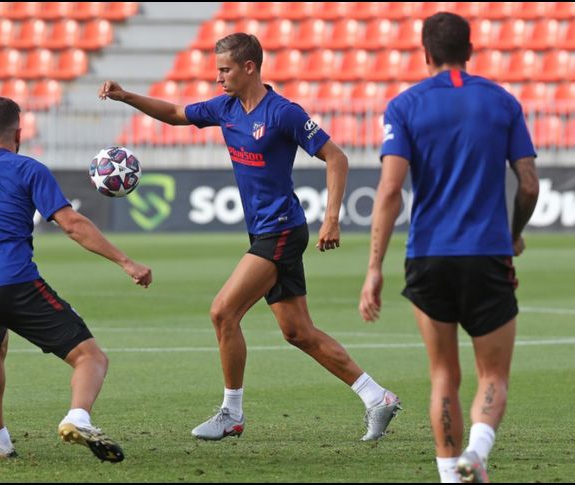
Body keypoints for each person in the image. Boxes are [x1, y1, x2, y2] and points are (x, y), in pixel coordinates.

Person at [100, 33, 401, 442]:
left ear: (249, 68)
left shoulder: (284, 114)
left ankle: (231, 413)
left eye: (224, 69)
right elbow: (174, 112)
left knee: (223, 312)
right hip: (265, 229)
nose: (218, 77)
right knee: (298, 333)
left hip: (280, 230)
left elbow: (337, 157)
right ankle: (376, 397)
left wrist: (332, 219)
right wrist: (126, 97)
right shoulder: (224, 107)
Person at [0, 97, 152, 462]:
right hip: (15, 283)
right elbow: (72, 224)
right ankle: (78, 417)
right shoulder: (29, 169)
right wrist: (126, 262)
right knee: (91, 358)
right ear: (19, 134)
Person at [358, 12, 540, 483]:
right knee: (493, 375)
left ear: (426, 53)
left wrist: (374, 267)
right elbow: (528, 186)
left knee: (444, 374)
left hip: (428, 257)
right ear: (471, 50)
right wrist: (513, 231)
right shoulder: (502, 102)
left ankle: (449, 476)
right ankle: (477, 450)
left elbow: (390, 192)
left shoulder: (405, 106)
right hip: (487, 254)